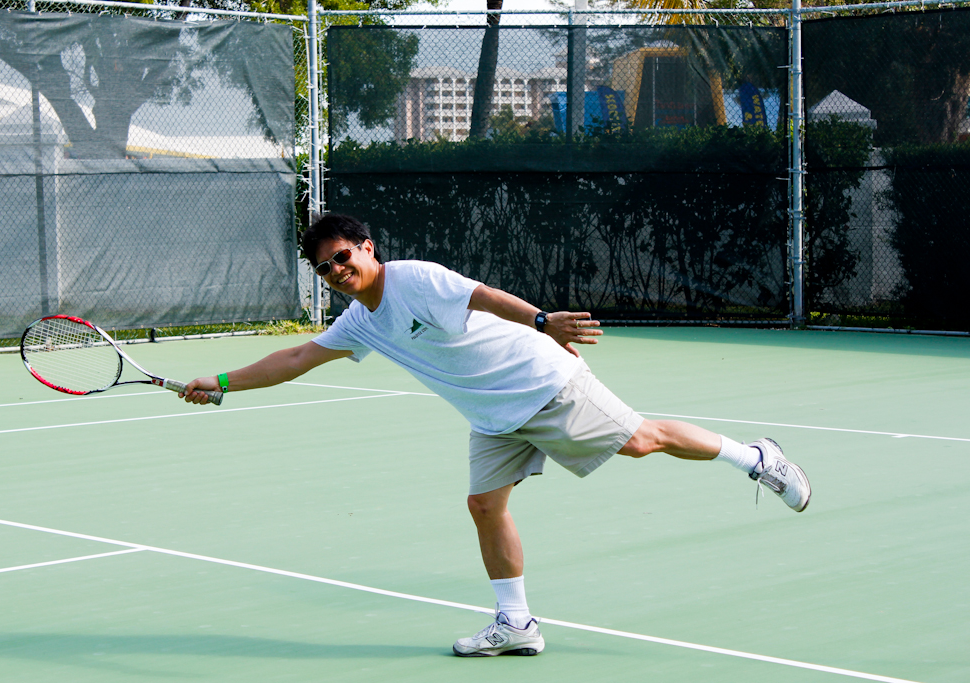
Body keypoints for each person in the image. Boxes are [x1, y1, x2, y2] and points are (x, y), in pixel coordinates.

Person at [181, 213, 811, 658]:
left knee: (641, 441)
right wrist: (222, 381)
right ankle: (516, 623)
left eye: (342, 257)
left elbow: (481, 295)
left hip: (542, 382)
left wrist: (542, 320)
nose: (337, 270)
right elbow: (296, 358)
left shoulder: (414, 279)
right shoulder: (358, 323)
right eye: (325, 268)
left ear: (367, 248)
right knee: (485, 505)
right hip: (493, 416)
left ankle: (756, 457)